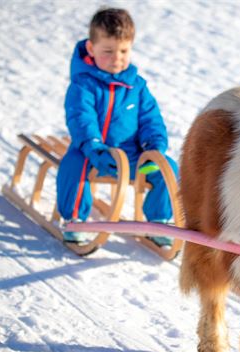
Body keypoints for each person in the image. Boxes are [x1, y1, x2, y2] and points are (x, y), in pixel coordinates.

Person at [56, 7, 177, 246]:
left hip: (131, 158)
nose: (116, 58)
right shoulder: (83, 85)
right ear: (91, 49)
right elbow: (81, 119)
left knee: (169, 169)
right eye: (108, 51)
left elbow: (150, 119)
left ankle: (158, 221)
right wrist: (94, 147)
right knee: (73, 167)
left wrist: (155, 147)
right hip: (92, 153)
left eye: (123, 51)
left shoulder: (136, 86)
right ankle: (74, 219)